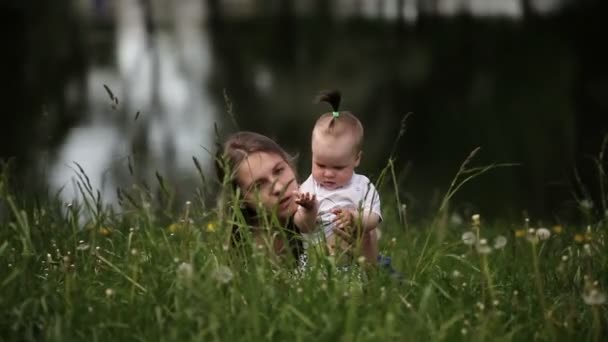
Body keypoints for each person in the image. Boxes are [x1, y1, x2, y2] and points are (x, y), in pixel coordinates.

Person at [299, 90, 381, 265]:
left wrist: (354, 218)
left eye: (338, 167)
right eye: (320, 165)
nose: (328, 173)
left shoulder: (362, 186)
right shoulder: (309, 186)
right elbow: (303, 227)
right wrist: (308, 211)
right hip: (315, 263)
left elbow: (374, 218)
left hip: (353, 261)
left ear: (356, 159)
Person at [215, 131, 318, 265]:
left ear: (290, 165)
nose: (278, 188)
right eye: (259, 185)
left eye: (279, 171)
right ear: (241, 200)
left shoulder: (330, 205)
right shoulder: (250, 259)